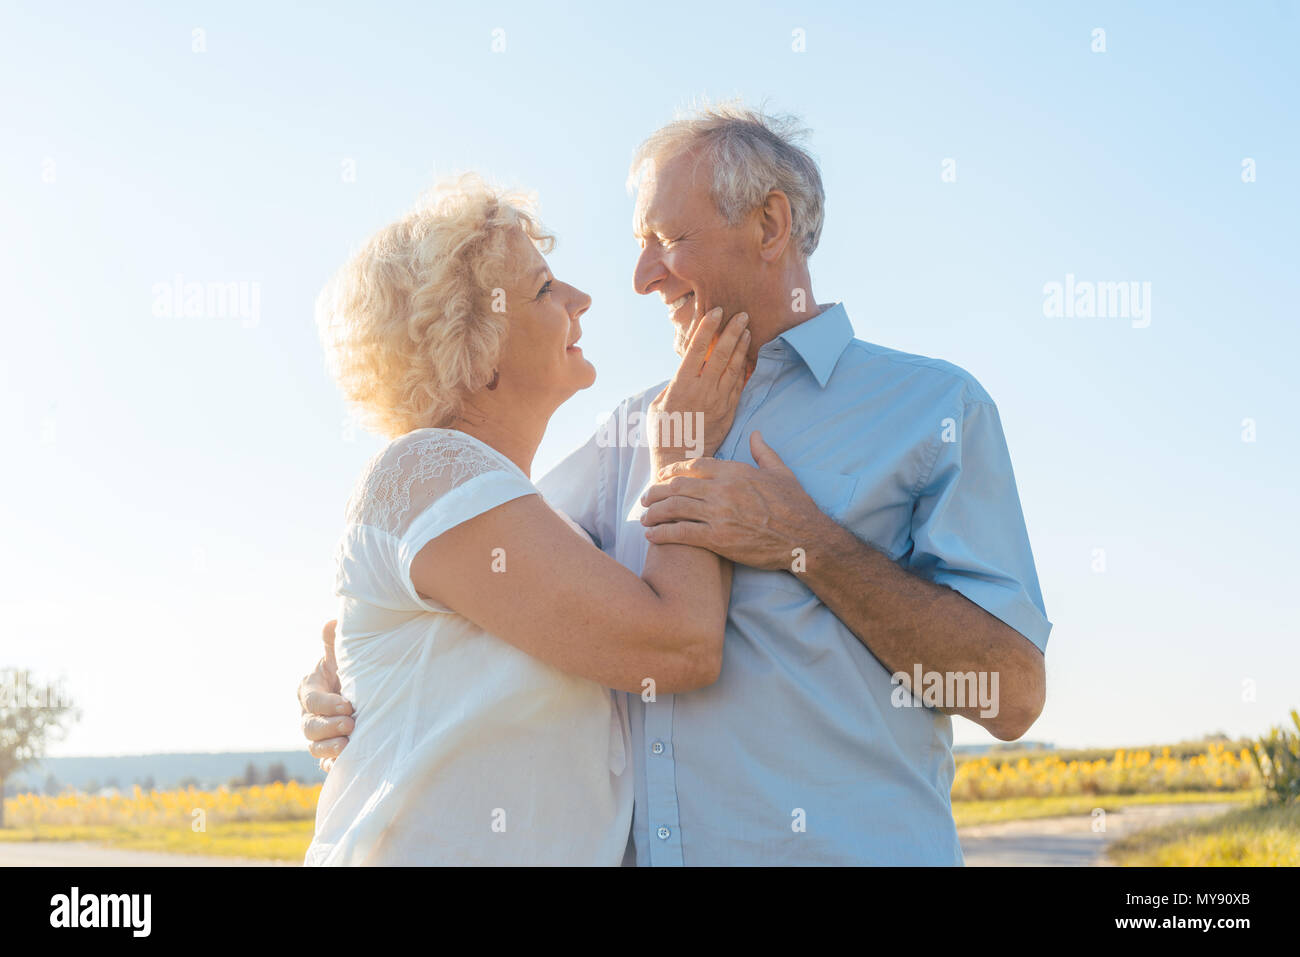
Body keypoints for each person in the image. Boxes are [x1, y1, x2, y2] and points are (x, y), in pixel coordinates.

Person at [301, 104, 1052, 865]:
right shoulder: (638, 431)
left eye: (666, 240)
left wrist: (810, 545)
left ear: (769, 225)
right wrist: (338, 665)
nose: (639, 277)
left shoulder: (933, 411)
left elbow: (1015, 694)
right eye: (639, 246)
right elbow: (473, 577)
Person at [303, 175, 749, 865]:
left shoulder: (531, 514)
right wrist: (684, 453)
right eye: (544, 290)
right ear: (475, 352)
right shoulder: (430, 470)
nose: (581, 300)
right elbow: (680, 644)